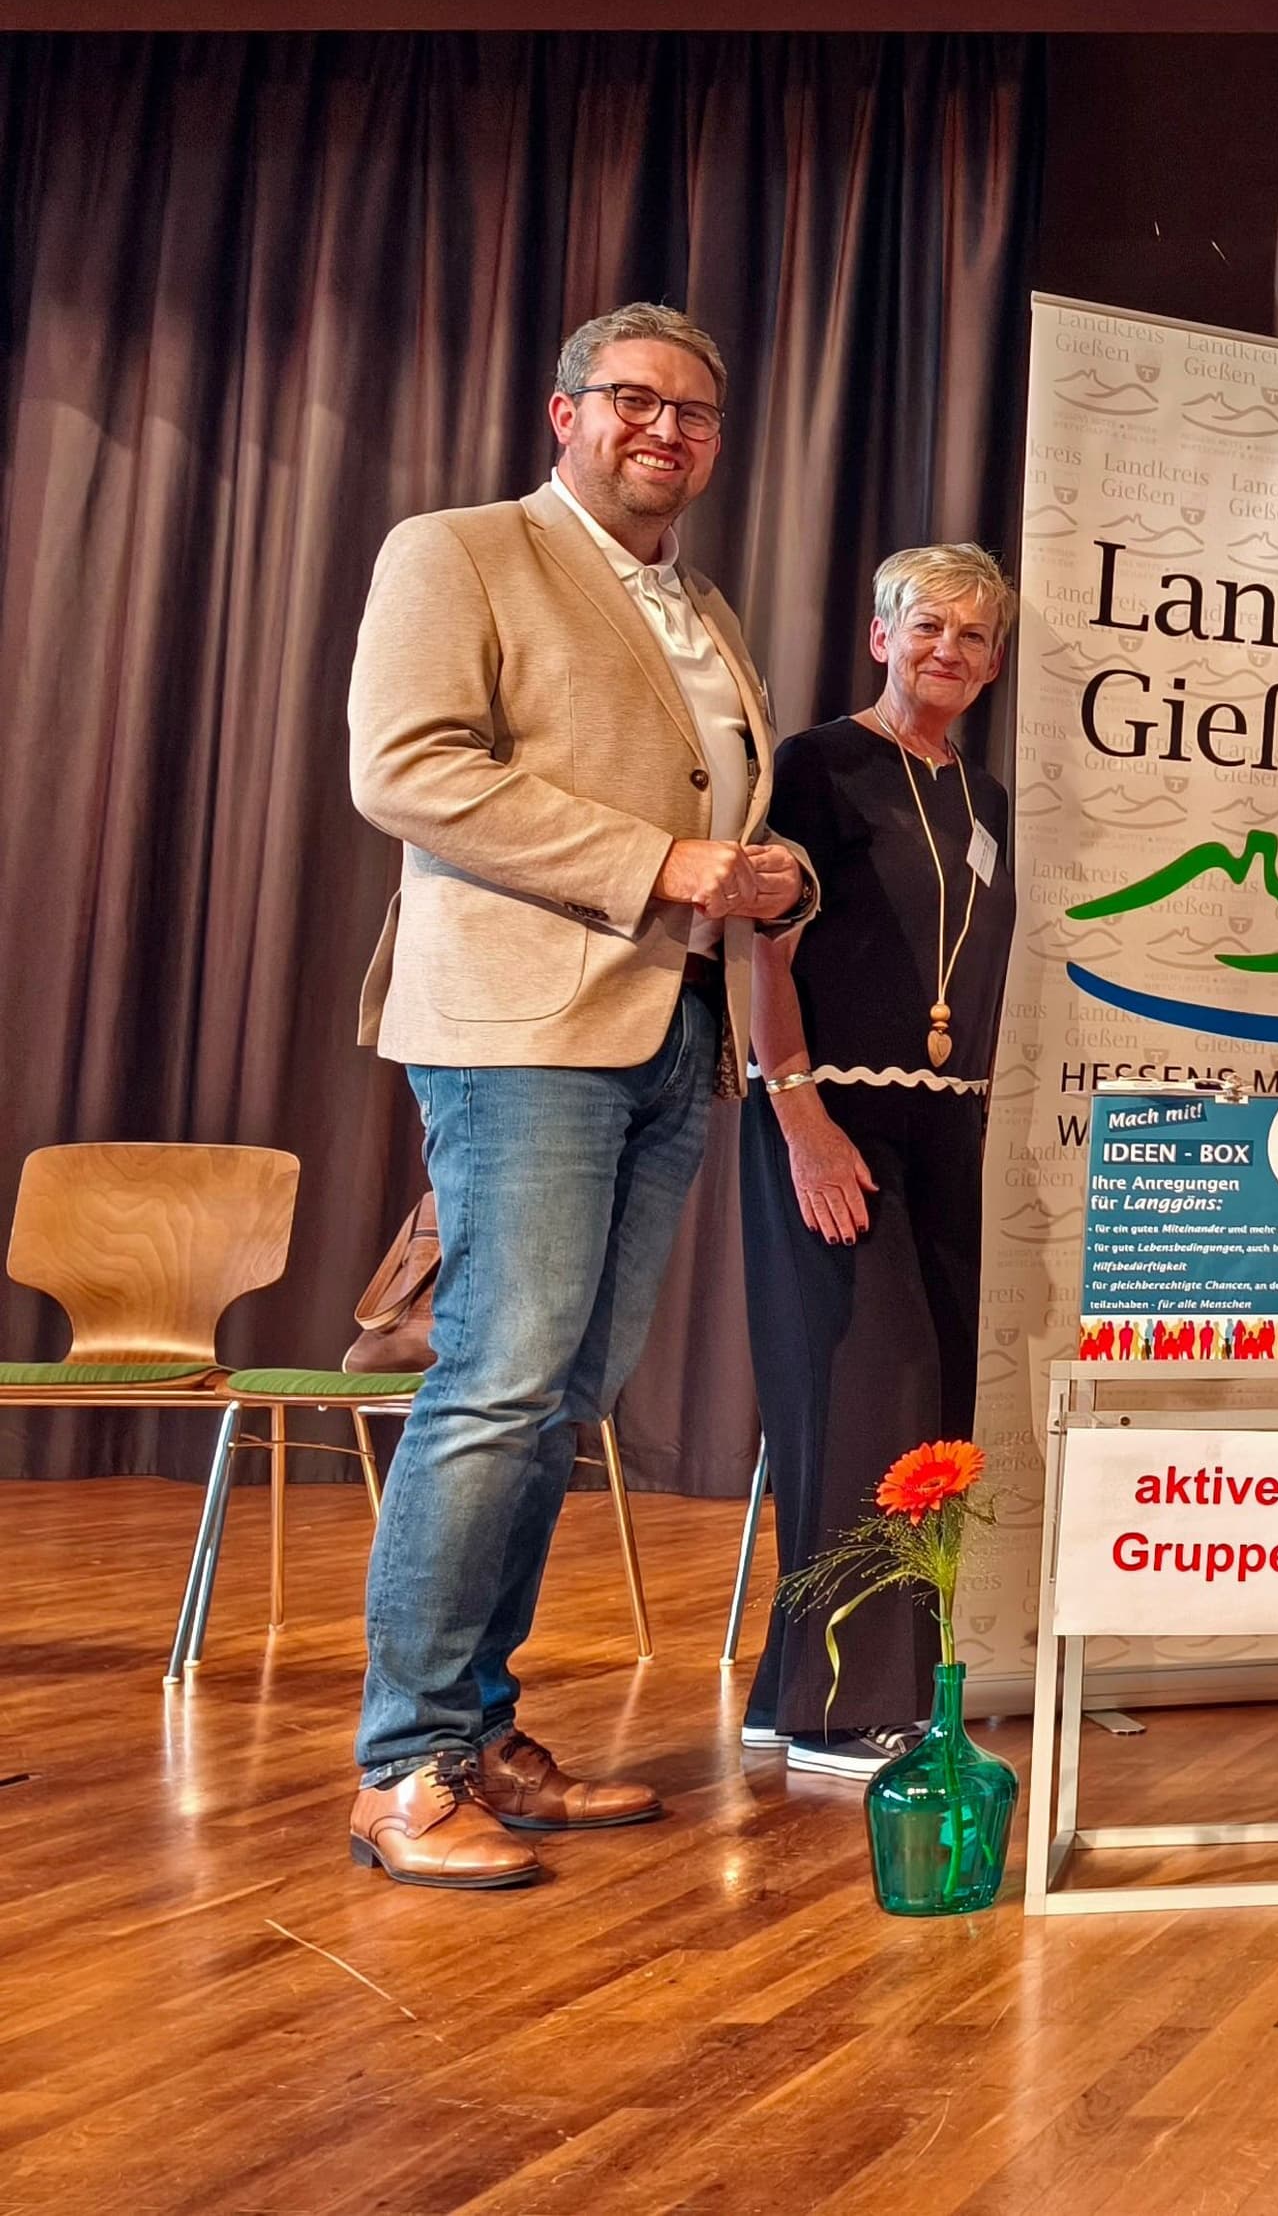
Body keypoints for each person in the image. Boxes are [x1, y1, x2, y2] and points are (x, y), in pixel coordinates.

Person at [343, 303, 813, 1888]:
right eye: (632, 400)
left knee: (565, 1396)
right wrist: (665, 864)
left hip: (673, 1029)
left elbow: (713, 794)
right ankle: (404, 1767)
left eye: (694, 412)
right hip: (525, 1028)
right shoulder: (460, 551)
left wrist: (766, 870)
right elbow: (409, 767)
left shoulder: (703, 606)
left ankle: (479, 1730)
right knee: (496, 1382)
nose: (665, 430)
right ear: (564, 414)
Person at [734, 544, 1016, 1778]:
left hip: (947, 1125)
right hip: (832, 1114)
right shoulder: (816, 765)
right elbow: (761, 951)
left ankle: (793, 1687)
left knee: (929, 1403)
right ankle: (851, 1710)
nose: (949, 650)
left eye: (974, 636)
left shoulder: (983, 796)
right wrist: (800, 1118)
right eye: (928, 626)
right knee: (869, 1394)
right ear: (880, 634)